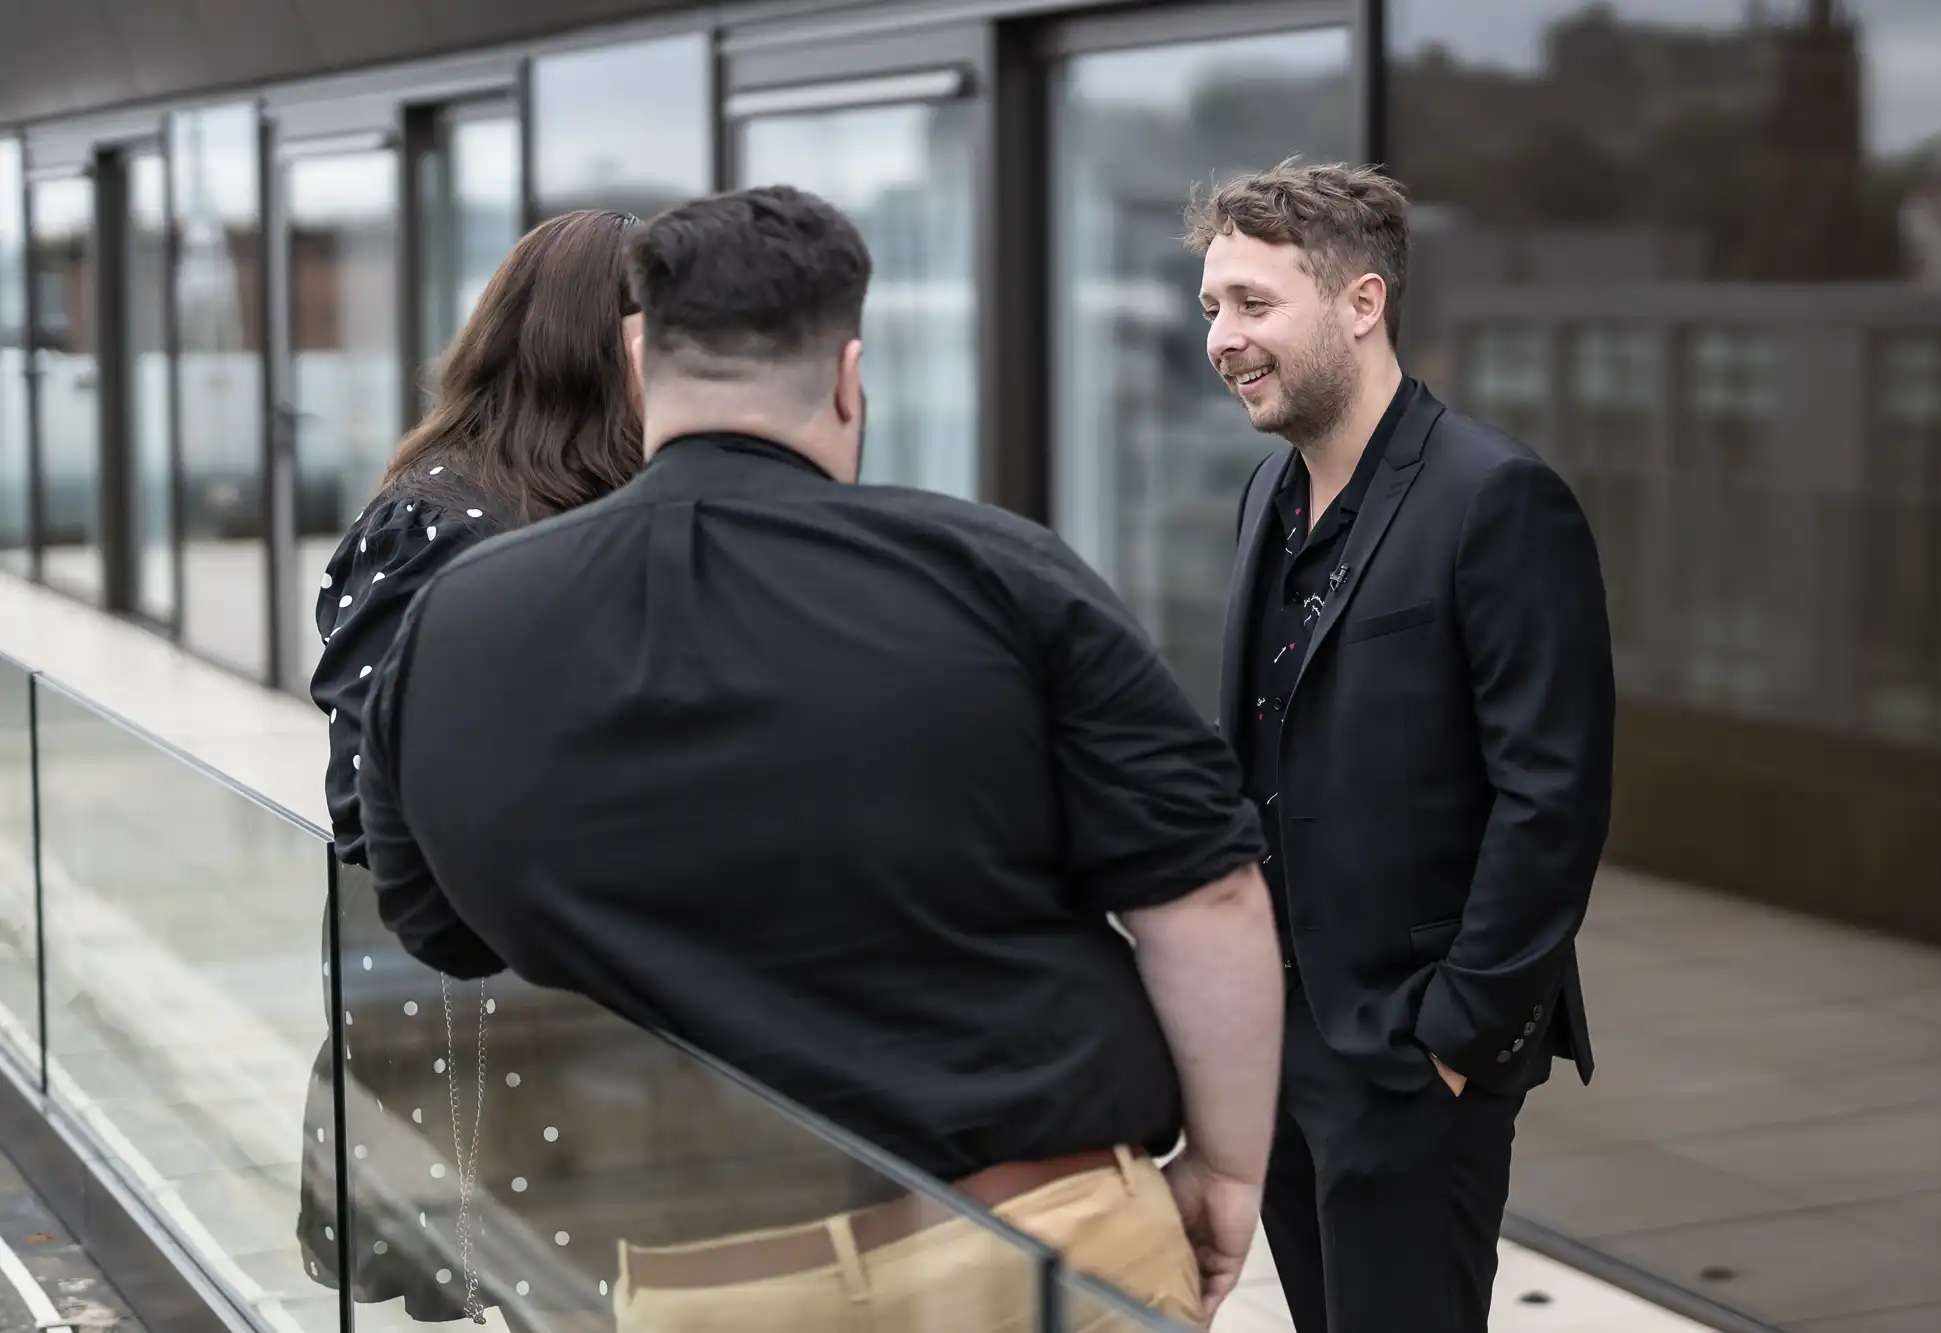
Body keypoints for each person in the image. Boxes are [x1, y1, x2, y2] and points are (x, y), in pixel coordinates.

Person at [353, 184, 1284, 1330]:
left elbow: (432, 919)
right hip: (1036, 1245)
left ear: (641, 362)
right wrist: (1230, 1169)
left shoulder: (458, 623)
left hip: (711, 1285)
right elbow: (1208, 892)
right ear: (847, 376)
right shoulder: (999, 572)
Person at [1192, 160, 1615, 1333]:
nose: (1222, 338)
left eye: (1253, 304)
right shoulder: (1260, 499)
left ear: (1361, 303)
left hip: (1412, 1054)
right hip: (1278, 1050)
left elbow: (1554, 796)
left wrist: (1452, 1043)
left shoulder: (1497, 498)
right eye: (1211, 307)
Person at [299, 208, 649, 1325]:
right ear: (590, 342)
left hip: (609, 1012)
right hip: (490, 1007)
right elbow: (368, 803)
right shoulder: (437, 517)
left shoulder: (624, 494)